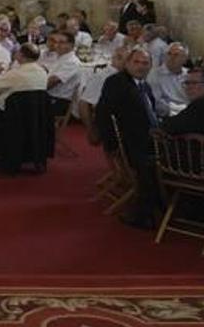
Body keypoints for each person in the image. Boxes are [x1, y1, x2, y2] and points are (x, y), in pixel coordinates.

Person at [95, 47, 161, 229]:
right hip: (131, 144)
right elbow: (103, 114)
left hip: (148, 137)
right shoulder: (116, 82)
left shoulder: (144, 85)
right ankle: (144, 212)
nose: (140, 67)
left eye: (145, 63)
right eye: (136, 62)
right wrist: (112, 145)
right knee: (159, 162)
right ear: (127, 64)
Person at [79, 46, 130, 145]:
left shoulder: (127, 75)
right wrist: (91, 130)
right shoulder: (103, 76)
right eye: (130, 60)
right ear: (118, 58)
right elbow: (83, 103)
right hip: (113, 122)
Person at [38, 31, 82, 118]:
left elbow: (51, 83)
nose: (57, 45)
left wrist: (33, 87)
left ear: (71, 45)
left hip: (59, 101)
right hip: (50, 96)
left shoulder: (72, 62)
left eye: (61, 42)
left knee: (21, 102)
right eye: (56, 42)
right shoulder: (60, 58)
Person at [148, 42, 190, 117]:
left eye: (176, 55)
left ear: (185, 59)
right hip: (168, 115)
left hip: (188, 112)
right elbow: (156, 102)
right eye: (169, 54)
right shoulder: (154, 75)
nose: (171, 57)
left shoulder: (189, 75)